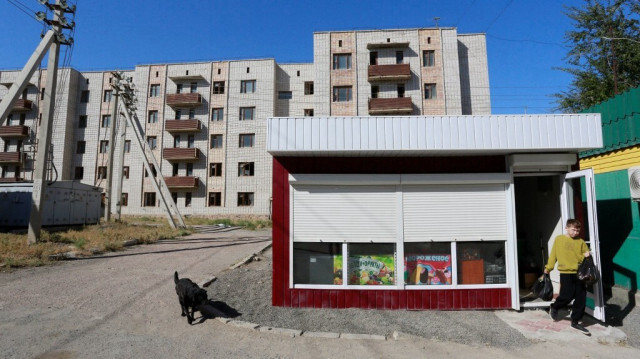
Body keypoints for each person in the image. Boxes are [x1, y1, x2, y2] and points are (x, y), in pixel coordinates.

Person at [544, 219, 591, 335]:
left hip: (579, 273)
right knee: (567, 295)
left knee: (581, 297)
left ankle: (575, 321)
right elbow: (553, 255)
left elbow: (586, 256)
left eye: (578, 230)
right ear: (567, 228)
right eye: (573, 229)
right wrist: (548, 268)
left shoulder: (581, 242)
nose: (575, 232)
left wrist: (587, 254)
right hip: (565, 272)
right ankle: (555, 306)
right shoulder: (559, 239)